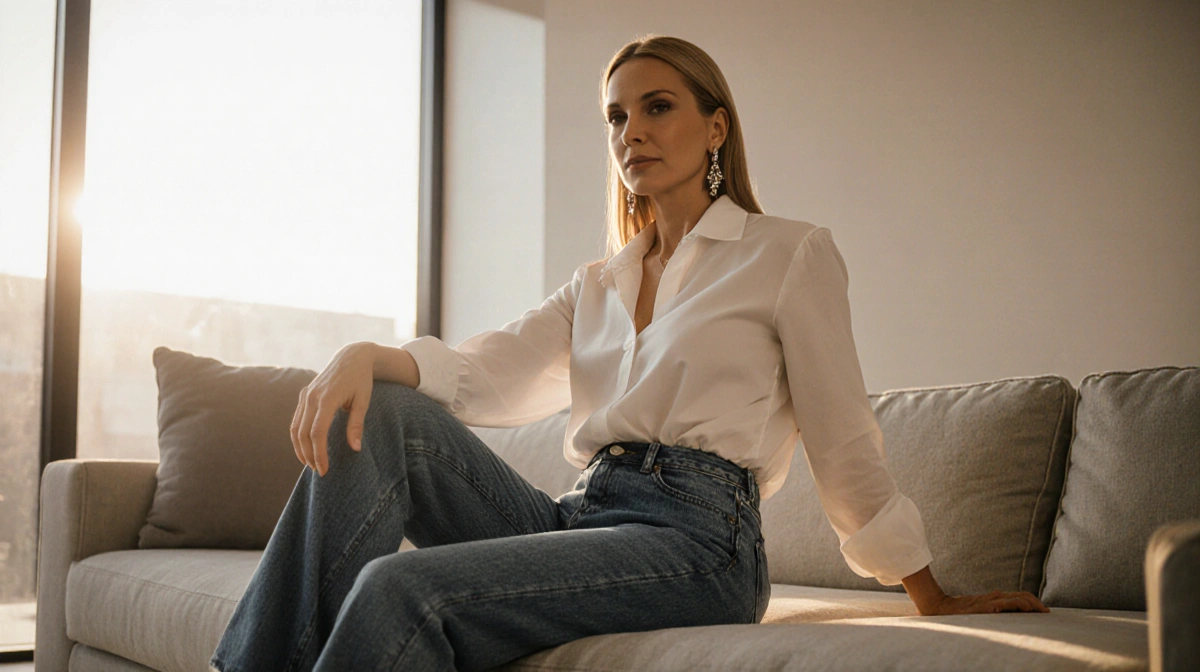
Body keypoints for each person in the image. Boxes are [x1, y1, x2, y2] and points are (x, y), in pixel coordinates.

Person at [209, 34, 1048, 672]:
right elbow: (482, 377)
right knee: (387, 412)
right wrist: (366, 353)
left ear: (715, 126)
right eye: (616, 115)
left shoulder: (787, 254)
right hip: (584, 512)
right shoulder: (599, 283)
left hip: (702, 540)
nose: (632, 132)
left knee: (396, 589)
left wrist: (925, 589)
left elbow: (842, 432)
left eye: (657, 107)